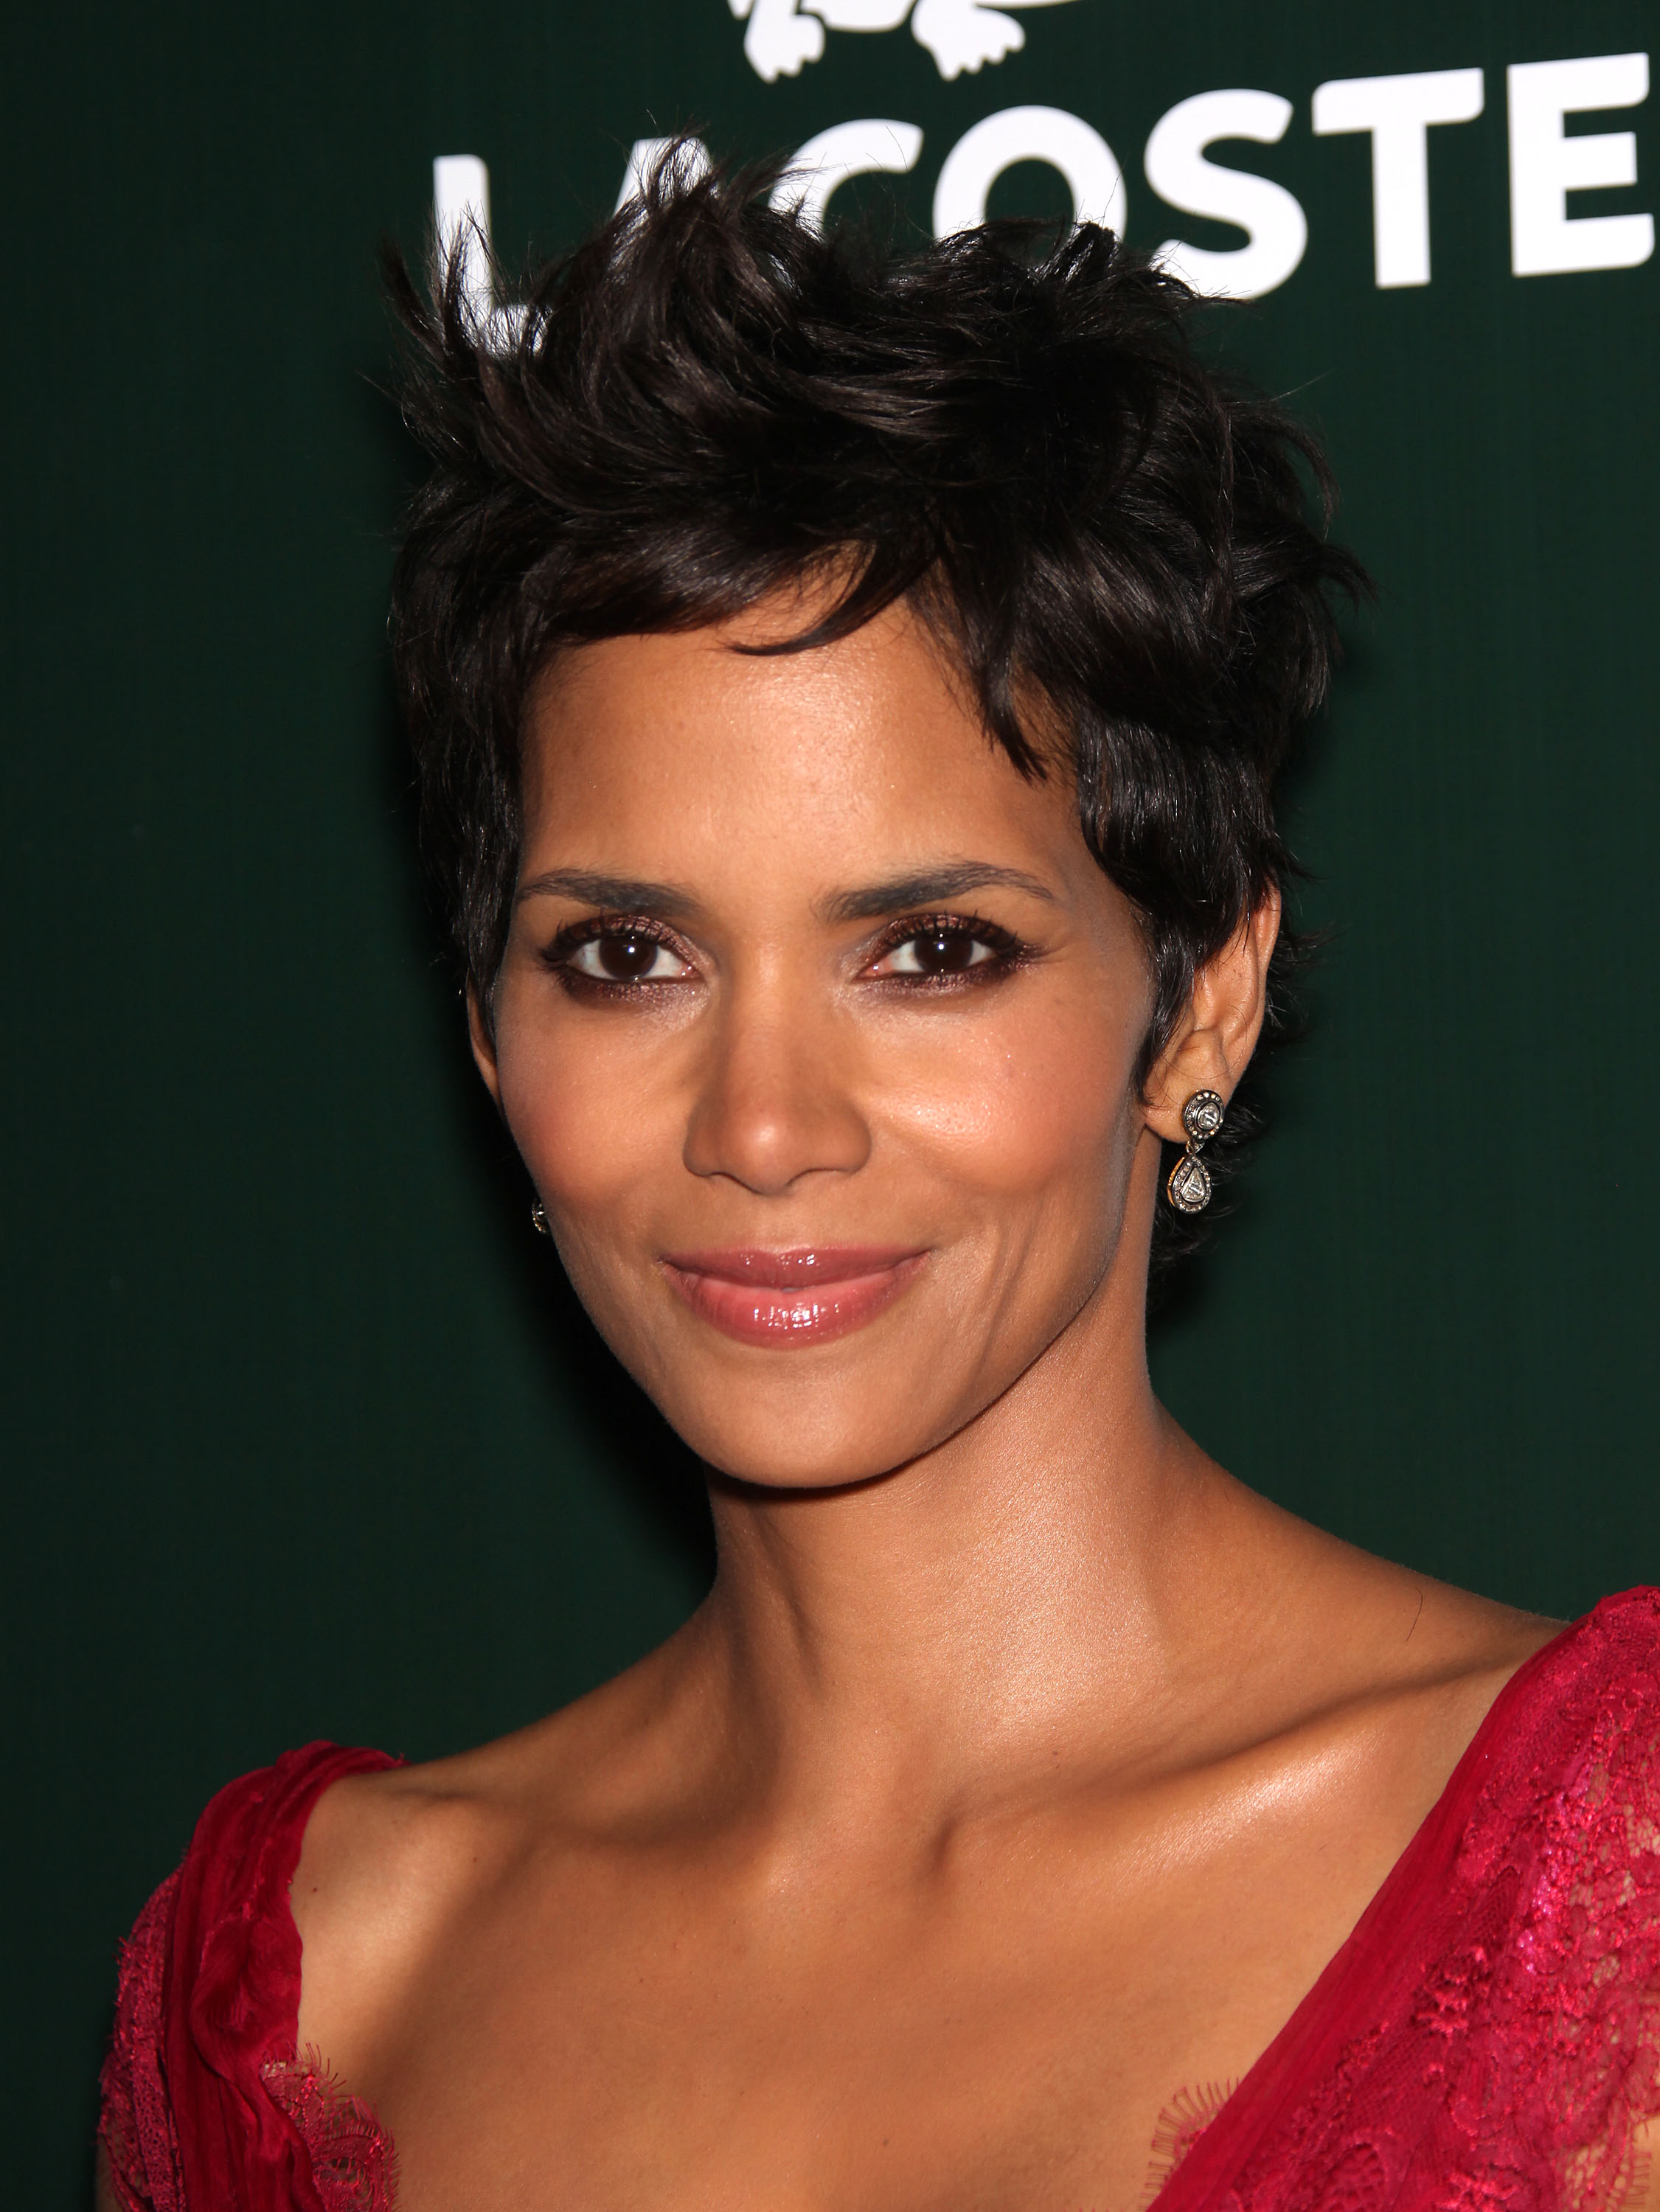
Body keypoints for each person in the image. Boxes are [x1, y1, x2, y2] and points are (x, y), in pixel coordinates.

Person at [97, 157, 1660, 2212]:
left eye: (931, 952)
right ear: (486, 1029)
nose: (762, 1128)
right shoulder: (309, 1988)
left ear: (1198, 1005)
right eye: (624, 957)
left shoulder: (1604, 1910)